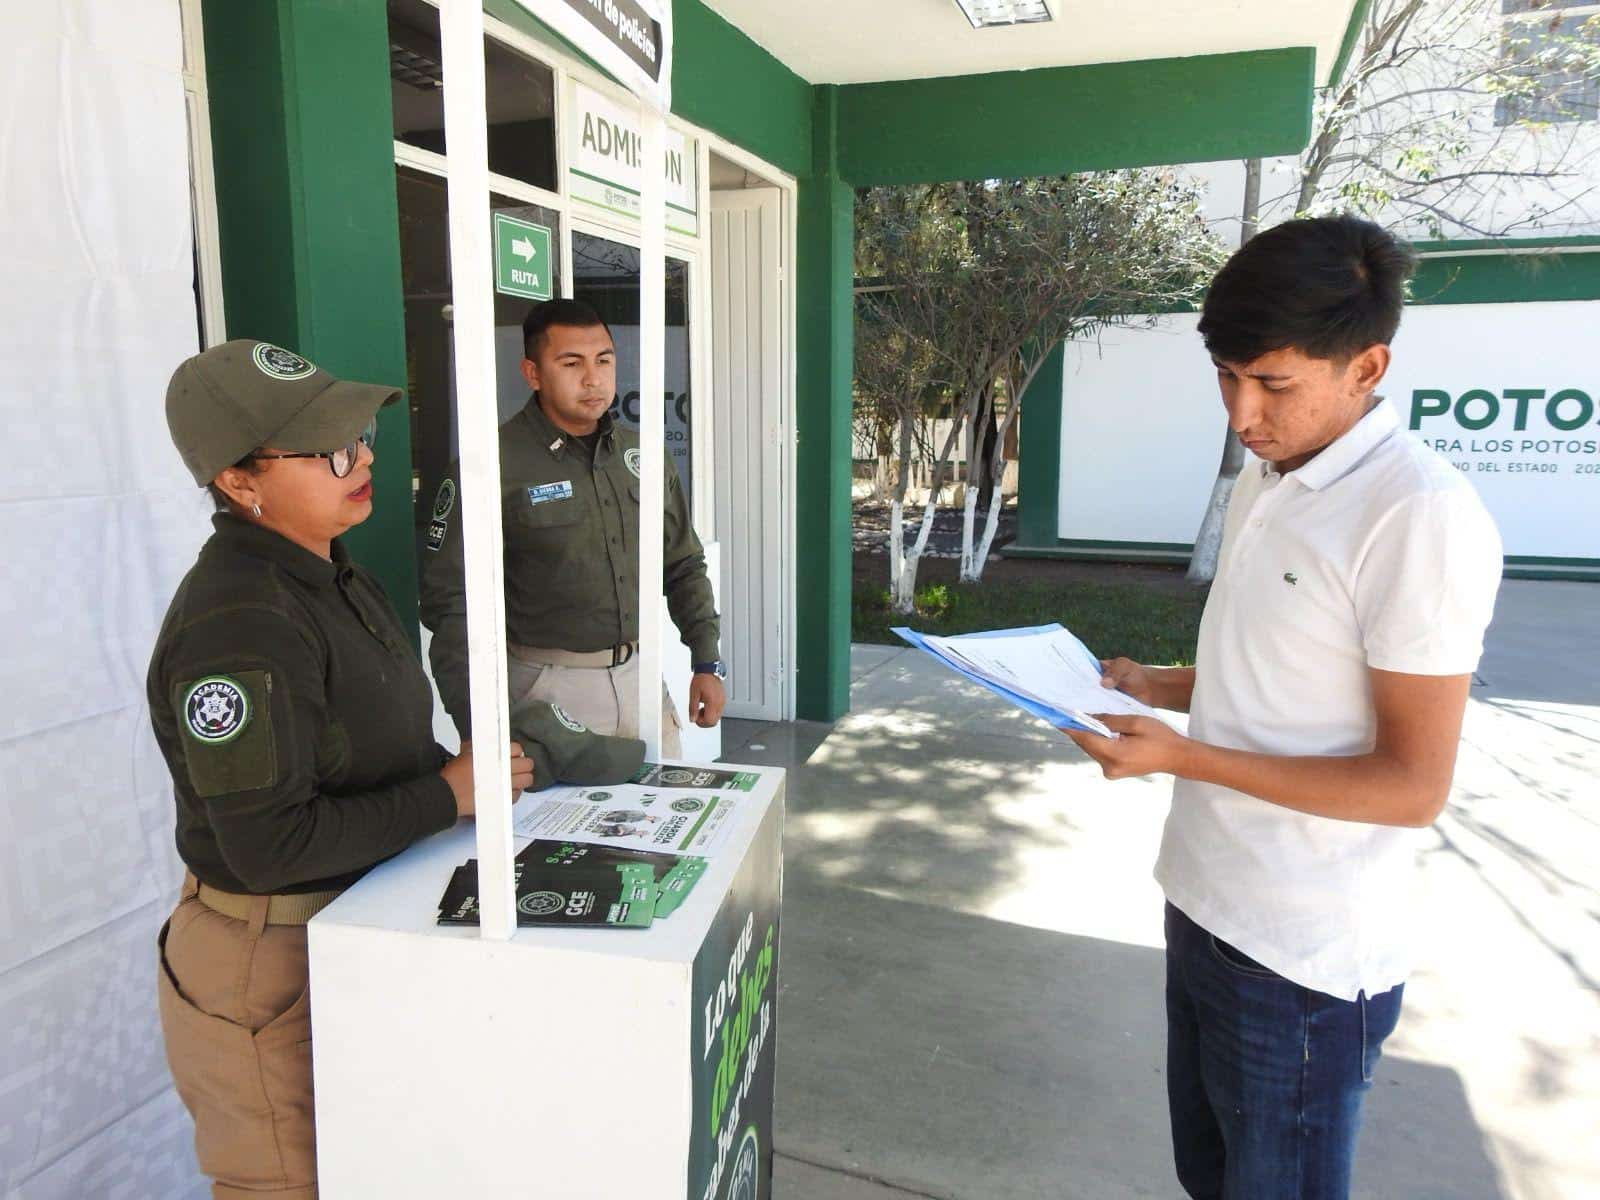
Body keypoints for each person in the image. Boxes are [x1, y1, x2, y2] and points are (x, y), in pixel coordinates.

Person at [1064, 216, 1503, 1199]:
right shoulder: (1278, 475)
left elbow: (1410, 784)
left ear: (1366, 364)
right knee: (1210, 1177)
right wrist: (1160, 686)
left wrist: (1182, 756)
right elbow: (1280, 667)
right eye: (1226, 376)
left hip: (1300, 958)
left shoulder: (1418, 514)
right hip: (1205, 901)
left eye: (1272, 384)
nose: (1241, 413)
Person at [149, 339, 537, 1199]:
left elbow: (374, 752)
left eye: (359, 434)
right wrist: (448, 793)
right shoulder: (239, 623)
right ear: (238, 481)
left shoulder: (331, 574)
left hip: (349, 931)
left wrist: (464, 779)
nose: (361, 458)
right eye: (328, 448)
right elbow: (269, 847)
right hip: (271, 962)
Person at [420, 298, 725, 761]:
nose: (593, 378)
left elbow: (681, 561)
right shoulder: (492, 467)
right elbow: (452, 605)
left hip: (642, 679)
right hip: (546, 688)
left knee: (656, 818)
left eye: (604, 360)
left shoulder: (641, 455)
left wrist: (706, 660)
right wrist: (478, 729)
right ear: (533, 374)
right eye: (571, 363)